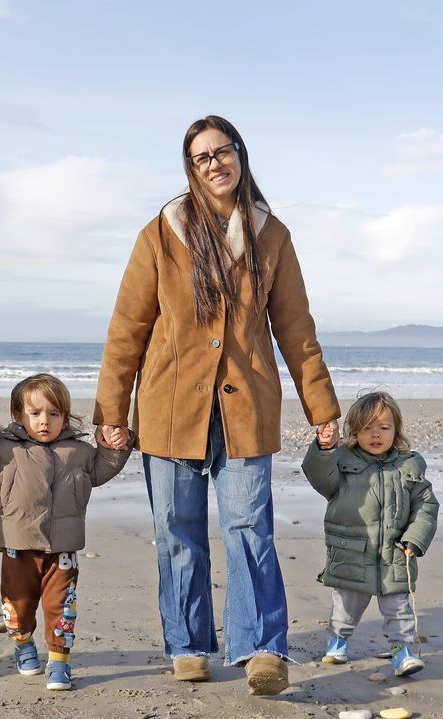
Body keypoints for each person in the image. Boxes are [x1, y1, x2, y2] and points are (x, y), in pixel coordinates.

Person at [92, 115, 341, 695]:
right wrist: (111, 414)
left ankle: (261, 649)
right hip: (170, 407)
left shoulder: (271, 234)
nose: (214, 164)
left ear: (240, 155)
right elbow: (128, 328)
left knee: (249, 526)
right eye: (201, 157)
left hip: (245, 407)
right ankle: (189, 645)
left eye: (222, 152)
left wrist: (322, 409)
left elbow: (296, 330)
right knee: (178, 531)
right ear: (190, 167)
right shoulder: (161, 232)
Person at [0, 374, 130, 691]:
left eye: (53, 413)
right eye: (35, 414)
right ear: (18, 416)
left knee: (61, 608)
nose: (44, 421)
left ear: (65, 415)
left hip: (62, 549)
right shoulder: (2, 449)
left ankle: (59, 661)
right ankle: (23, 644)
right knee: (17, 607)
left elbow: (102, 469)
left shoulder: (78, 451)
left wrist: (115, 448)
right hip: (16, 546)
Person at [301, 391, 439, 677]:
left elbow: (426, 505)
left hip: (396, 552)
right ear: (354, 432)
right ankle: (338, 642)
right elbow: (317, 475)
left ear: (396, 430)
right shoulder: (342, 463)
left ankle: (402, 651)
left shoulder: (408, 466)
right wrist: (324, 448)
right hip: (352, 550)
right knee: (346, 604)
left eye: (384, 428)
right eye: (367, 429)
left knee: (398, 607)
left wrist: (416, 537)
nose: (376, 435)